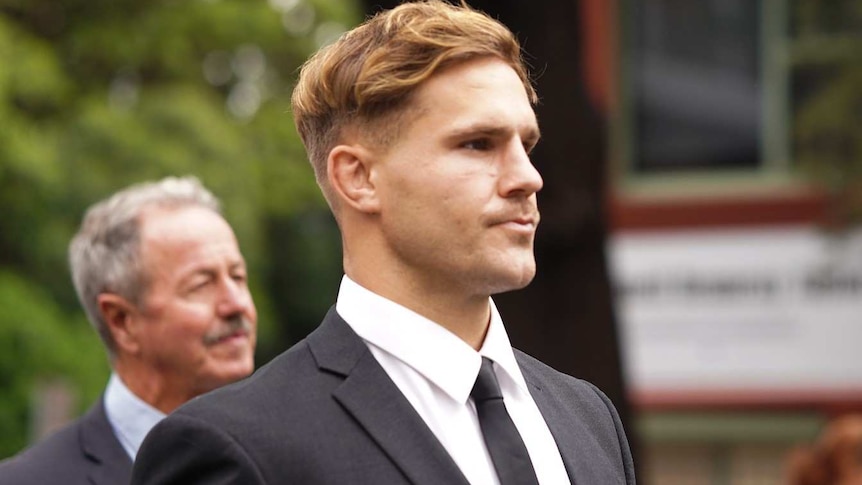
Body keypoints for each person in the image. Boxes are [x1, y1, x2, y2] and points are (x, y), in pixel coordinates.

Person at [131, 1, 635, 484]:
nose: (528, 178)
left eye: (526, 145)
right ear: (358, 179)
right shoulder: (237, 447)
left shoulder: (589, 418)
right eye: (478, 144)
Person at [0, 176, 257, 485]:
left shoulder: (297, 456)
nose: (236, 304)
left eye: (238, 276)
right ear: (122, 320)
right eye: (201, 284)